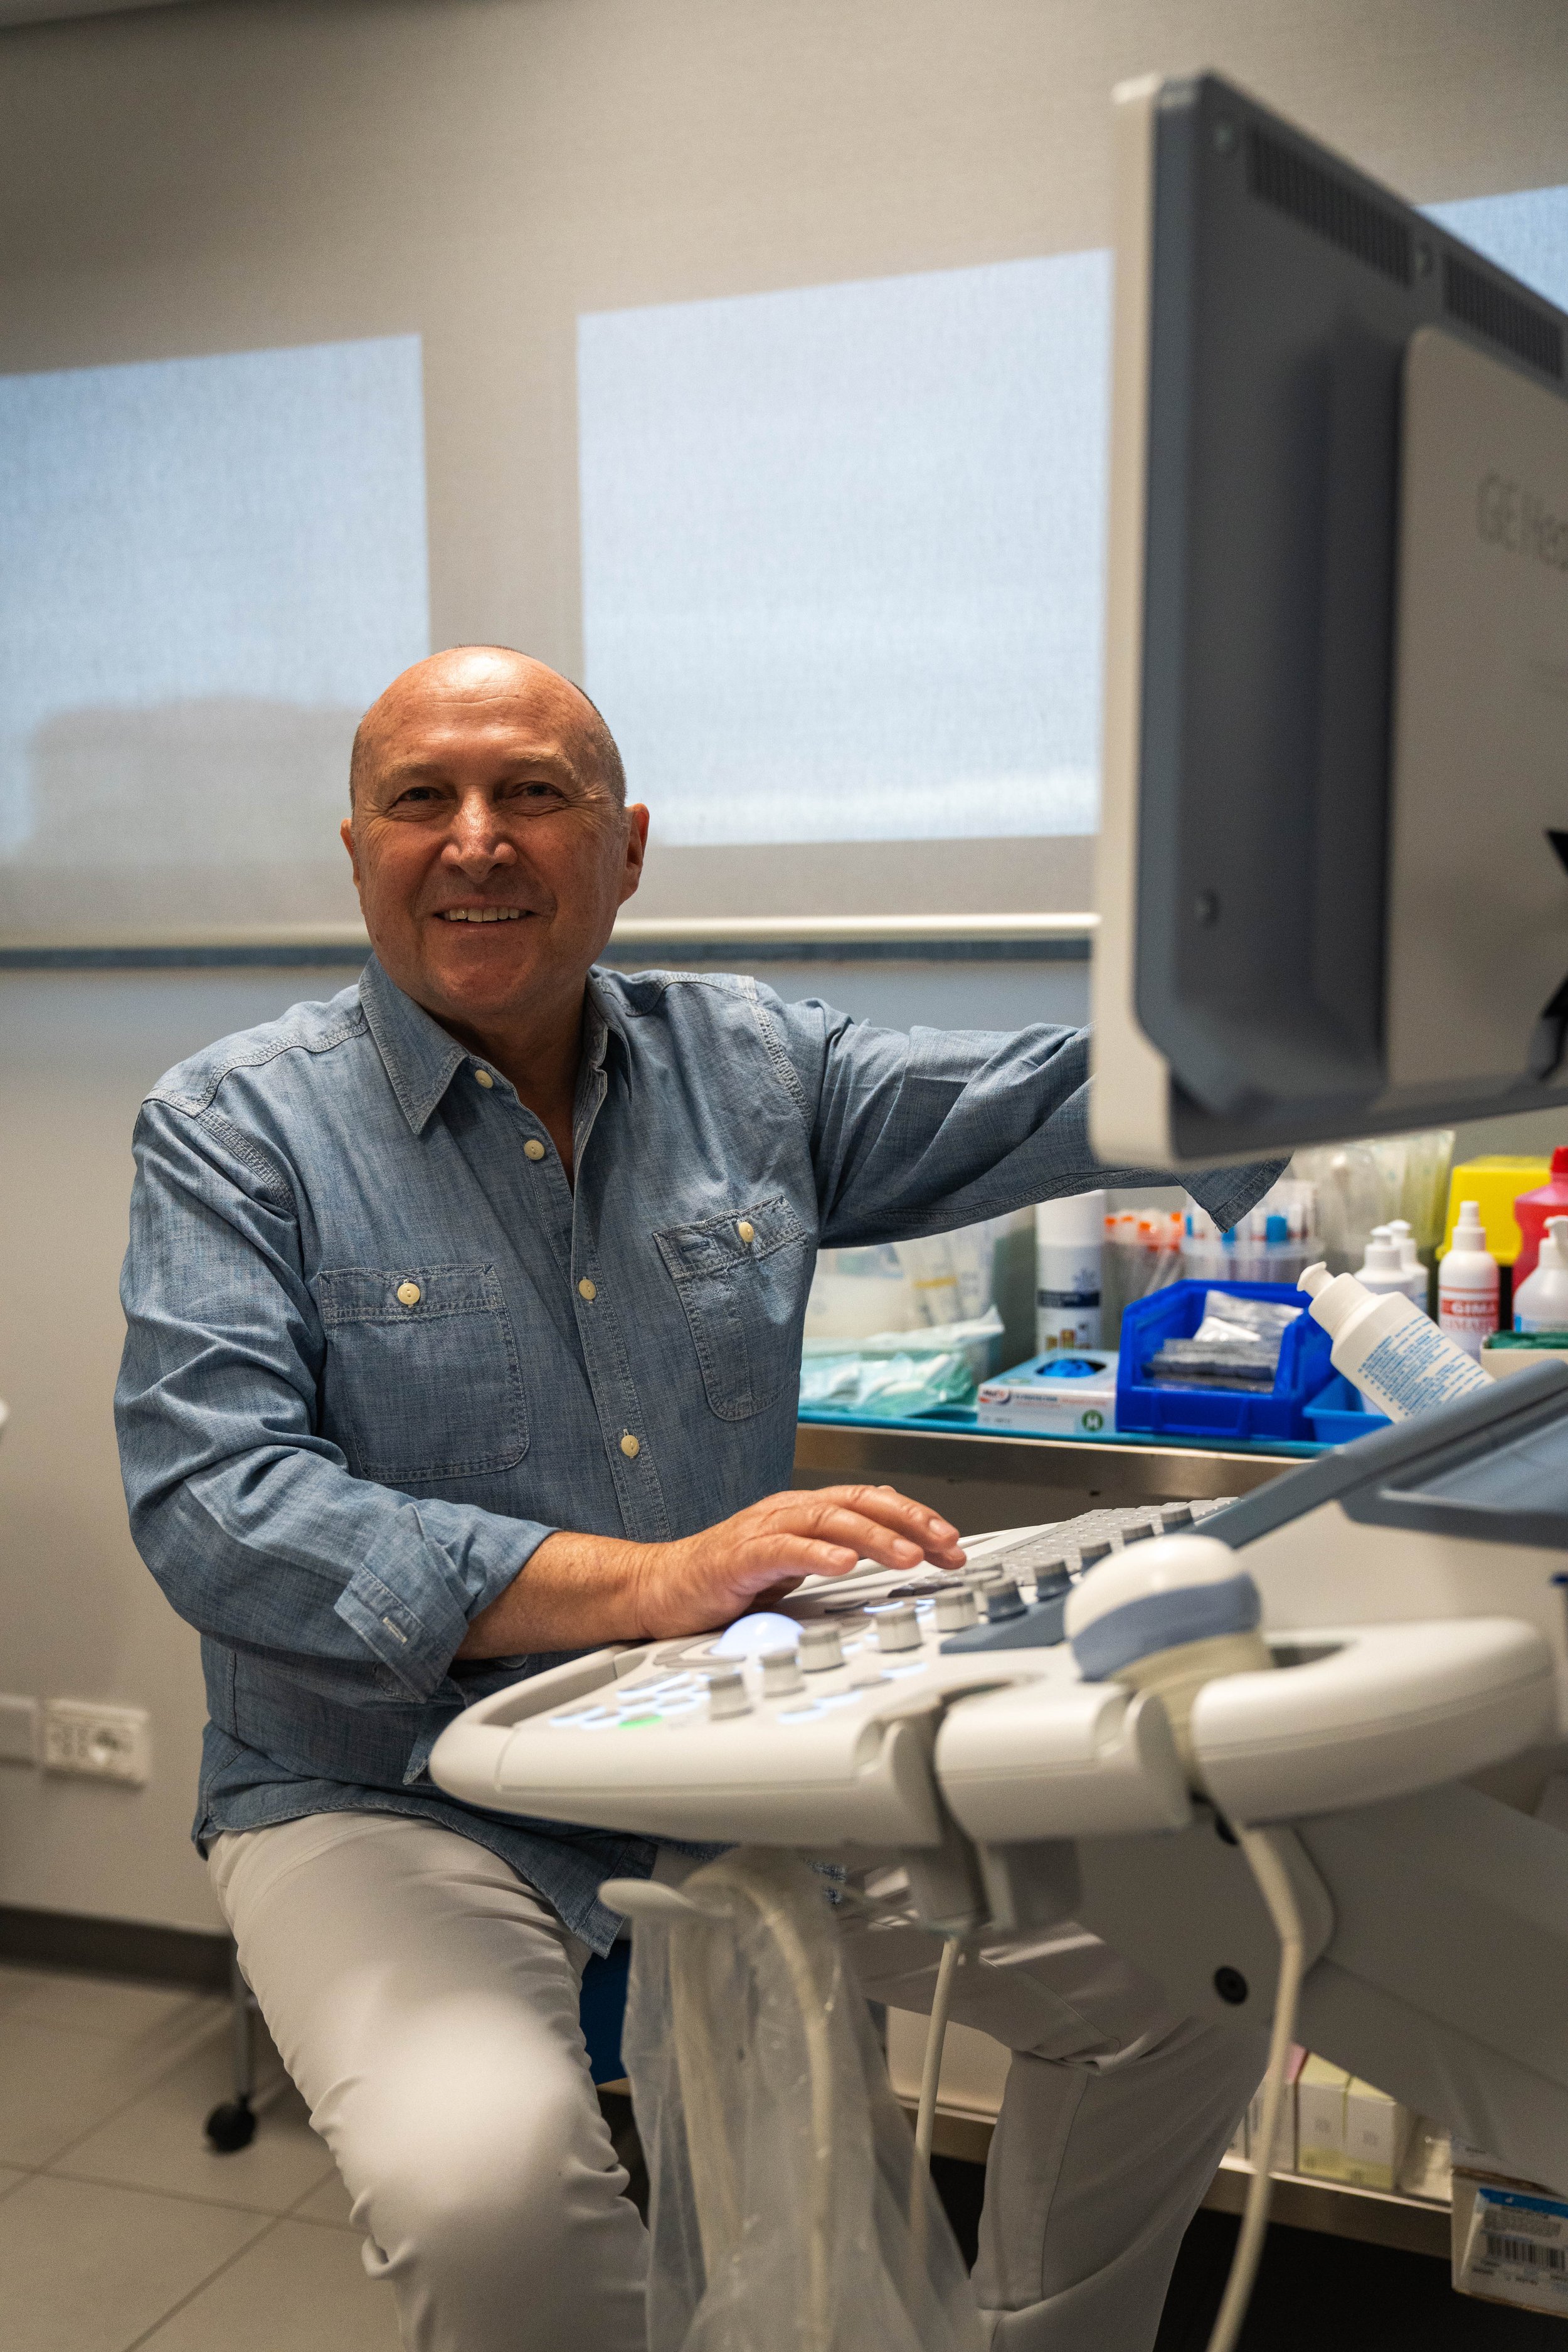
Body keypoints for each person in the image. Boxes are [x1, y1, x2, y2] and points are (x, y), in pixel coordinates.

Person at [117, 647, 1277, 2352]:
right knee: (489, 2196)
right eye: (421, 801)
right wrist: (643, 1580)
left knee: (1193, 1989)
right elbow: (219, 1508)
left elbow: (1061, 1093)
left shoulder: (754, 1069)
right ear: (356, 847)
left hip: (727, 1741)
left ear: (627, 843)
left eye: (533, 793)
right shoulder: (235, 1129)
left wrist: (1356, 1011)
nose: (477, 841)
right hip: (382, 1788)